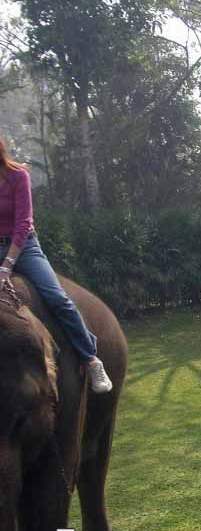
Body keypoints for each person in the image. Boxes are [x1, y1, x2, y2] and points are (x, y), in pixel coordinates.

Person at [0, 137, 113, 393]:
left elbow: (23, 223)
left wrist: (7, 265)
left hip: (24, 246)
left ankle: (91, 359)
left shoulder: (18, 177)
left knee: (56, 297)